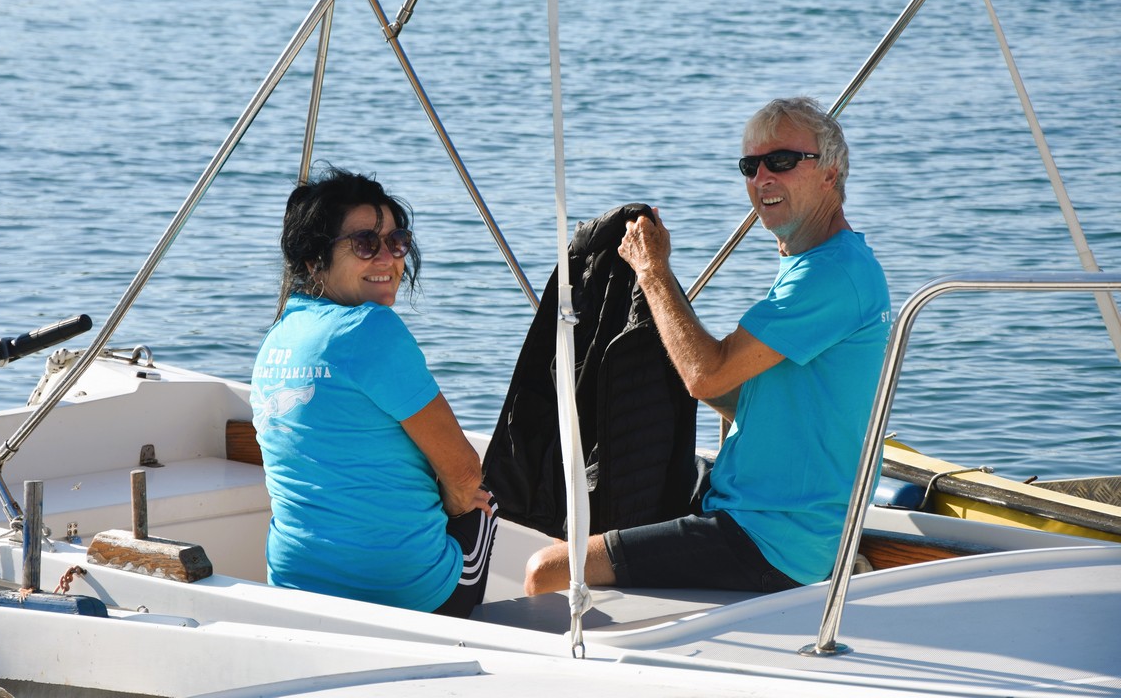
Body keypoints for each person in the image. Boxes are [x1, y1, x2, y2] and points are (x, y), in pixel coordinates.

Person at [524, 96, 891, 595]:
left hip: (773, 541)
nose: (763, 177)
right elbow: (741, 395)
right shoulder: (822, 264)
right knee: (589, 496)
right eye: (750, 166)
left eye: (782, 161)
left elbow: (706, 375)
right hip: (756, 507)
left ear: (830, 173)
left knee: (546, 569)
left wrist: (652, 272)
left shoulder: (830, 274)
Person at [251, 168, 497, 617]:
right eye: (365, 244)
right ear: (314, 259)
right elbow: (464, 472)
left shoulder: (276, 339)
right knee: (488, 493)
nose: (388, 258)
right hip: (403, 596)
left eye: (396, 242)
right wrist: (456, 502)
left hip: (294, 586)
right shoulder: (370, 327)